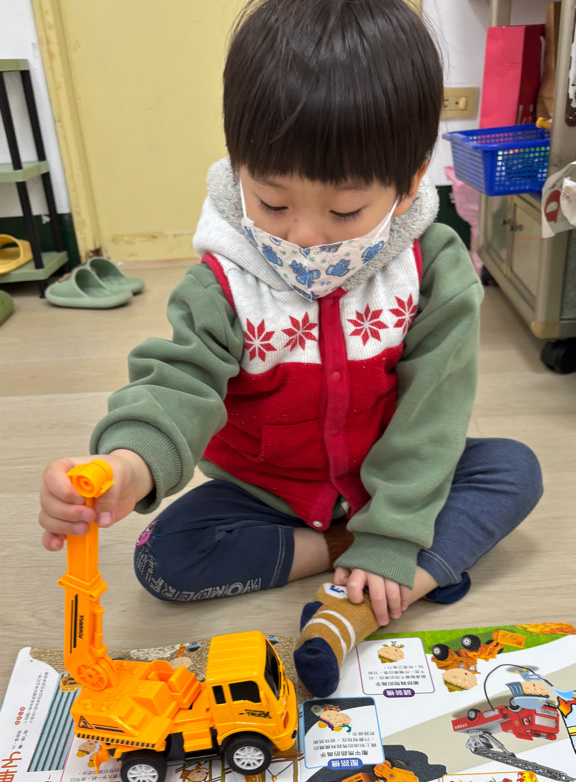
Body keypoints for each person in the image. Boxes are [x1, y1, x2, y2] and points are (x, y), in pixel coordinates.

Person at [39, 0, 542, 697]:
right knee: (162, 559)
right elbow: (179, 381)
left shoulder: (433, 267)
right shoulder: (223, 279)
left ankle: (365, 597)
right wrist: (127, 464)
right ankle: (369, 558)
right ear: (238, 168)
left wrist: (394, 528)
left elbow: (434, 411)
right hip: (271, 493)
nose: (304, 236)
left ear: (409, 183)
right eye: (272, 203)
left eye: (345, 211)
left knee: (514, 469)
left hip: (397, 482)